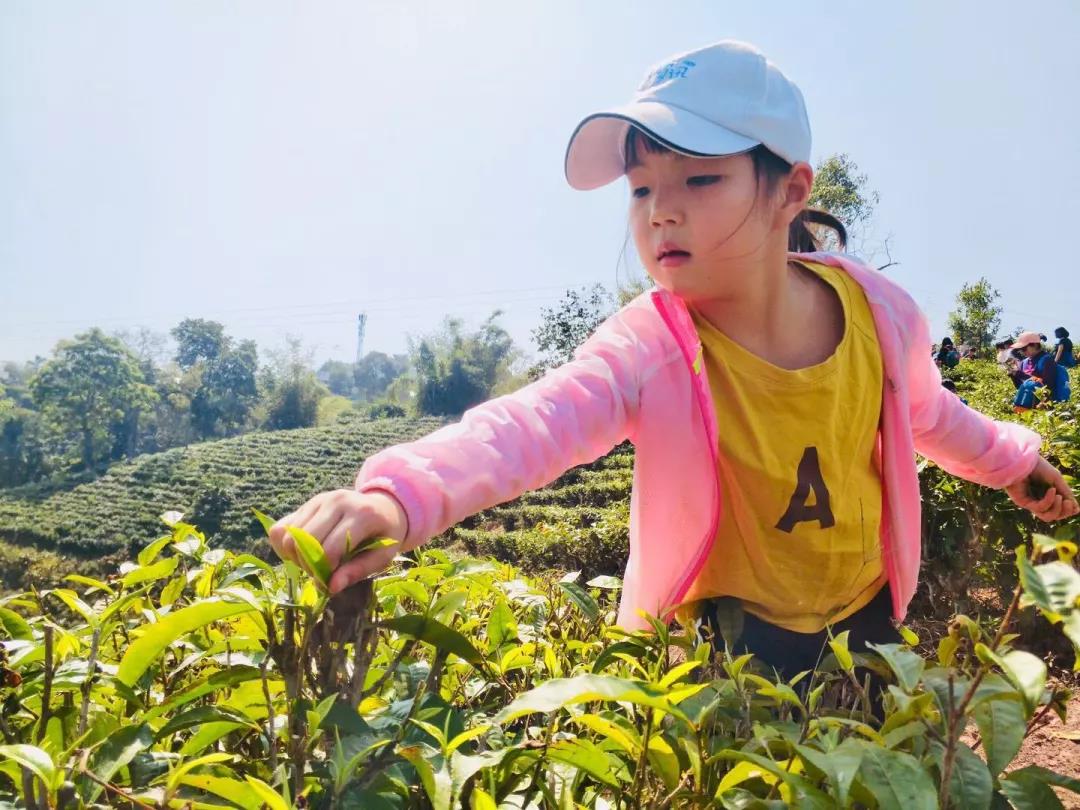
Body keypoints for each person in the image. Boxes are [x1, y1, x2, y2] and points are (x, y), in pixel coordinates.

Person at [267, 40, 1077, 696]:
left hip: (868, 622)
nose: (661, 210)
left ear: (790, 188)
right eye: (641, 186)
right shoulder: (651, 344)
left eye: (700, 177)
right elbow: (536, 421)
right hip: (728, 644)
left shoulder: (882, 317)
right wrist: (396, 493)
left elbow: (934, 416)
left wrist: (1016, 460)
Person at [1012, 331, 1071, 412]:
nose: (1022, 352)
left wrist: (1021, 375)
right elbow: (1020, 387)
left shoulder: (1046, 360)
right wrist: (1013, 375)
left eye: (1024, 348)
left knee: (1030, 384)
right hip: (1025, 404)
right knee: (1027, 384)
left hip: (1042, 405)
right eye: (1020, 349)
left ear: (1035, 345)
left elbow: (1047, 387)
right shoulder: (1024, 362)